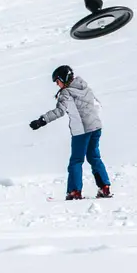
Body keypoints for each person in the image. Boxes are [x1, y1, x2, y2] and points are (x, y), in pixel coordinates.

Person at [29, 65, 111, 199]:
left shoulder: (66, 93)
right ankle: (104, 187)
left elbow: (60, 111)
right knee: (94, 157)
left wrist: (42, 120)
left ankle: (74, 191)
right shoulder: (85, 87)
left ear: (63, 78)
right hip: (96, 127)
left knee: (76, 161)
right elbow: (97, 105)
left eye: (57, 81)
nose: (57, 84)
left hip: (81, 131)